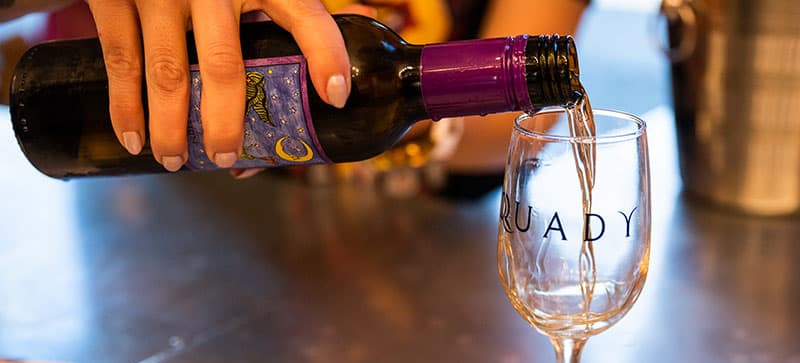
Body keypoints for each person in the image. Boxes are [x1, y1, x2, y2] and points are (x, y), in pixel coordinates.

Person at [1, 0, 588, 183]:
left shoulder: (380, 77)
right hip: (184, 234)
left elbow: (514, 129)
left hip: (402, 263)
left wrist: (406, 131)